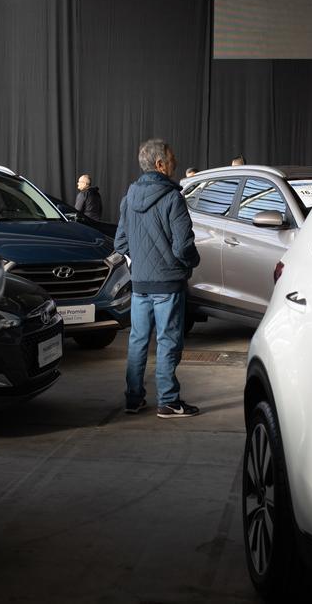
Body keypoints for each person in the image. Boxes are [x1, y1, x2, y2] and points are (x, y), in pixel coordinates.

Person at [114, 138, 201, 418]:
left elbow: (120, 243)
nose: (175, 161)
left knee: (138, 341)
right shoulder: (172, 198)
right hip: (168, 283)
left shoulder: (128, 199)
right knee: (168, 341)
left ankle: (133, 398)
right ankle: (168, 401)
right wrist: (191, 263)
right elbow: (183, 246)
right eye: (172, 157)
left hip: (140, 284)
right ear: (160, 164)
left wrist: (140, 263)